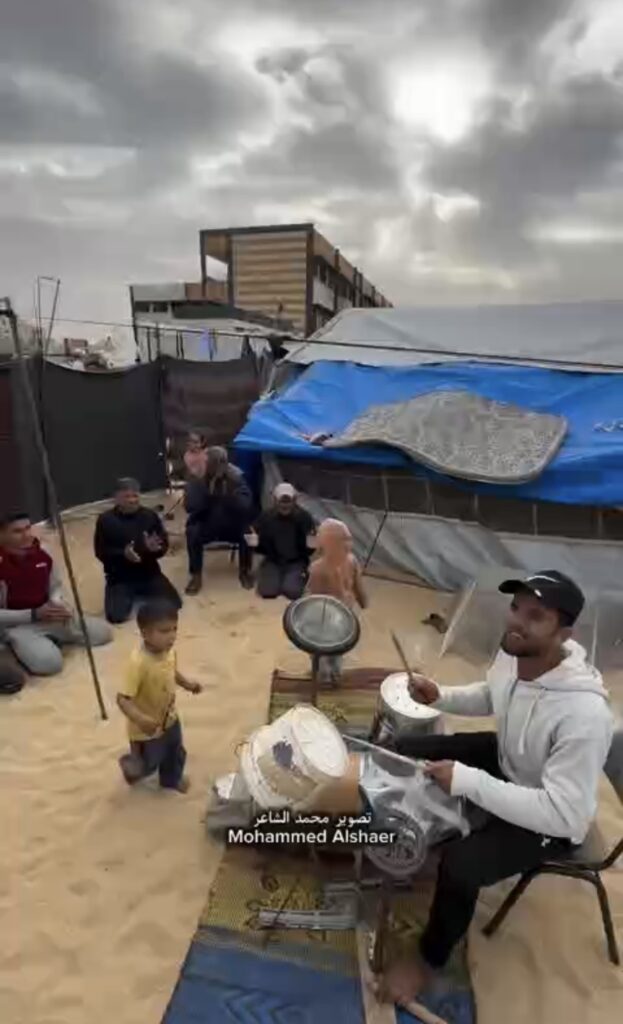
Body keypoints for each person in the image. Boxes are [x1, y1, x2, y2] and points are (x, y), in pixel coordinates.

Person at [374, 570, 614, 1009]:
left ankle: (428, 959)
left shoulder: (584, 715)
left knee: (460, 866)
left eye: (535, 616)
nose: (517, 621)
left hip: (550, 818)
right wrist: (440, 695)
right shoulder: (515, 651)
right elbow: (492, 693)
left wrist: (469, 782)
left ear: (564, 634)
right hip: (511, 760)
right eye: (516, 608)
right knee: (406, 751)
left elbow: (564, 813)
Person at [0, 512, 112, 676]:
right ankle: (19, 644)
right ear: (2, 535)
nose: (26, 535)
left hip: (49, 616)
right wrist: (33, 614)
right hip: (18, 624)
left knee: (102, 633)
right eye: (17, 531)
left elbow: (55, 586)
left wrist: (57, 604)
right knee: (50, 664)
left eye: (28, 528)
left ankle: (48, 640)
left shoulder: (44, 552)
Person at [117, 600, 202, 793]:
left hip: (169, 718)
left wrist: (188, 684)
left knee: (175, 751)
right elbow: (122, 699)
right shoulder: (137, 663)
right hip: (145, 728)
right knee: (148, 763)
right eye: (164, 631)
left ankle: (171, 781)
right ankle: (132, 768)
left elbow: (172, 671)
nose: (171, 636)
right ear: (145, 633)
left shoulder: (169, 652)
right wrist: (140, 719)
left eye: (174, 629)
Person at [94, 478, 182, 624]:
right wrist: (123, 555)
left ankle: (142, 594)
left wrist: (155, 550)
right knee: (115, 617)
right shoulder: (105, 520)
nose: (132, 500)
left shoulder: (150, 516)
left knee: (175, 604)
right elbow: (100, 552)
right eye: (127, 496)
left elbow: (163, 545)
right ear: (116, 498)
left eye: (135, 496)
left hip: (148, 573)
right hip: (120, 578)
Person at [185, 447, 254, 594]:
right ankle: (196, 576)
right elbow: (189, 506)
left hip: (231, 524)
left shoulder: (235, 477)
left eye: (222, 463)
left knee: (248, 532)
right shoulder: (198, 477)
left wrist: (229, 495)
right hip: (207, 523)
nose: (217, 467)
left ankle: (245, 571)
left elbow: (246, 505)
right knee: (192, 531)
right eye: (212, 463)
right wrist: (207, 495)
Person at [307, 518, 368, 682]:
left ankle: (323, 675)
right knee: (339, 646)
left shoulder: (317, 568)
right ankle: (335, 673)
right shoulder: (352, 560)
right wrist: (363, 602)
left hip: (325, 616)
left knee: (319, 647)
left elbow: (314, 598)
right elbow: (359, 588)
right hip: (345, 613)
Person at [248, 483, 316, 601]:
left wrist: (312, 542)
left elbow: (310, 549)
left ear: (294, 501)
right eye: (282, 502)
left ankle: (295, 579)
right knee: (267, 592)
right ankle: (276, 579)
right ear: (275, 501)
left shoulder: (304, 518)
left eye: (288, 501)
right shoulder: (266, 517)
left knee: (292, 592)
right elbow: (256, 543)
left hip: (296, 562)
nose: (285, 505)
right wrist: (254, 542)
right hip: (273, 561)